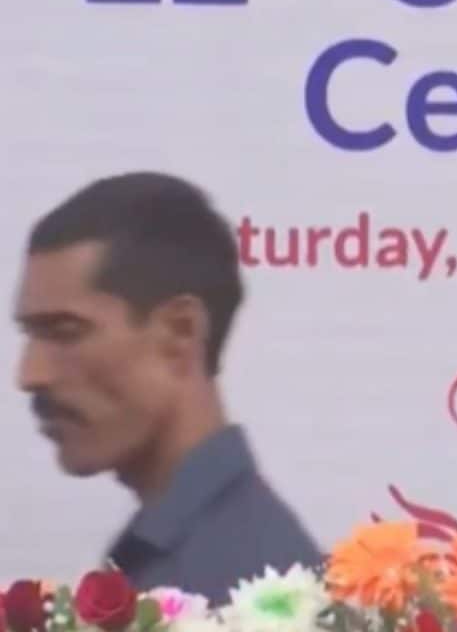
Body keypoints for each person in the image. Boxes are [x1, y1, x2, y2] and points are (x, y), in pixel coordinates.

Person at [13, 172, 321, 602]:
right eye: (30, 335)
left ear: (180, 332)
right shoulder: (190, 553)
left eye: (66, 332)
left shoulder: (239, 590)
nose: (30, 374)